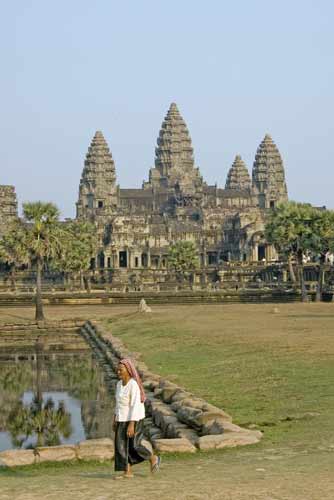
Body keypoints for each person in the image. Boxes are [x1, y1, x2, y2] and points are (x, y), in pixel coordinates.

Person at [113, 358, 160, 478]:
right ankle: (127, 472)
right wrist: (115, 418)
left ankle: (152, 458)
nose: (118, 372)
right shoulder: (119, 384)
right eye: (117, 370)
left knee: (134, 445)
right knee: (121, 446)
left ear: (128, 371)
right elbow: (118, 403)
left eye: (121, 370)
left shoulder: (133, 385)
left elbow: (135, 405)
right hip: (121, 418)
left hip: (135, 418)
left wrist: (132, 424)